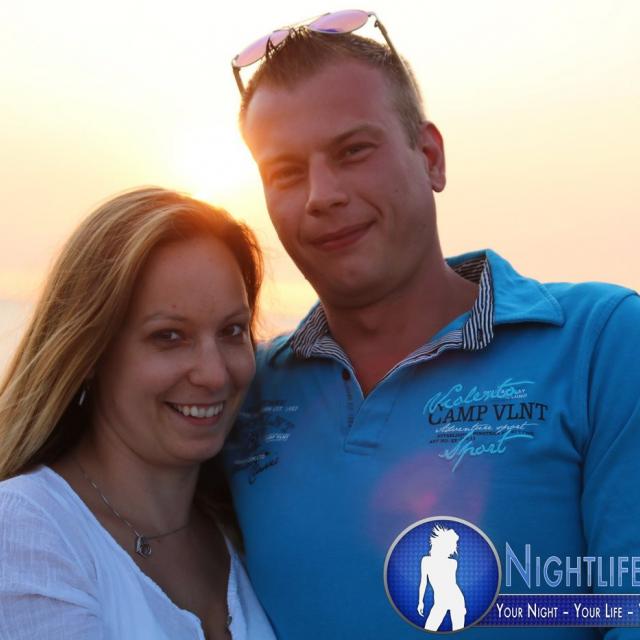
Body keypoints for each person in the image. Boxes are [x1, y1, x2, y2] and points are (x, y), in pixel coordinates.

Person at [223, 10, 640, 640]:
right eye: (285, 172)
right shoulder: (240, 387)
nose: (321, 194)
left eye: (353, 151)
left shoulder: (600, 342)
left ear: (431, 157)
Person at [0, 188, 275, 639]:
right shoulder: (27, 531)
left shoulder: (245, 529)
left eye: (232, 330)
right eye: (169, 336)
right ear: (89, 353)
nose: (213, 374)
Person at [417, 525, 466, 631]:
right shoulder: (426, 561)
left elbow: (451, 584)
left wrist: (461, 608)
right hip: (440, 601)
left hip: (456, 599)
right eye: (452, 545)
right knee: (429, 628)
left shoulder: (453, 563)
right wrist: (420, 601)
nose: (454, 548)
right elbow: (423, 583)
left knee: (458, 631)